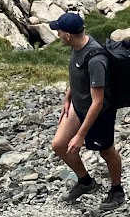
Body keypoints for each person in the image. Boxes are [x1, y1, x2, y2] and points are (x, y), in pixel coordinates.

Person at [48, 11, 124, 207]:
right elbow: (77, 77)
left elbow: (97, 102)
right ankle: (86, 182)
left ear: (68, 35)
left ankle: (117, 190)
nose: (57, 34)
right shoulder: (76, 46)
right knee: (59, 145)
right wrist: (68, 98)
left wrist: (81, 135)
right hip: (78, 106)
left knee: (106, 152)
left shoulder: (96, 59)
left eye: (59, 31)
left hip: (99, 113)